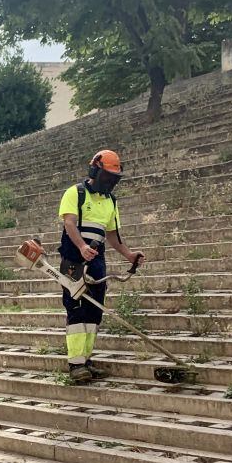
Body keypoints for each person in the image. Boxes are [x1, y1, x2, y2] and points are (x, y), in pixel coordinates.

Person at [58, 149, 145, 384]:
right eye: (107, 177)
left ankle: (86, 361)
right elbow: (69, 224)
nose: (110, 183)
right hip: (73, 262)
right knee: (76, 310)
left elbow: (113, 236)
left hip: (96, 262)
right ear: (95, 171)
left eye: (113, 179)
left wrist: (129, 255)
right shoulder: (75, 194)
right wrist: (81, 246)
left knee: (94, 312)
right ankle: (75, 365)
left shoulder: (110, 202)